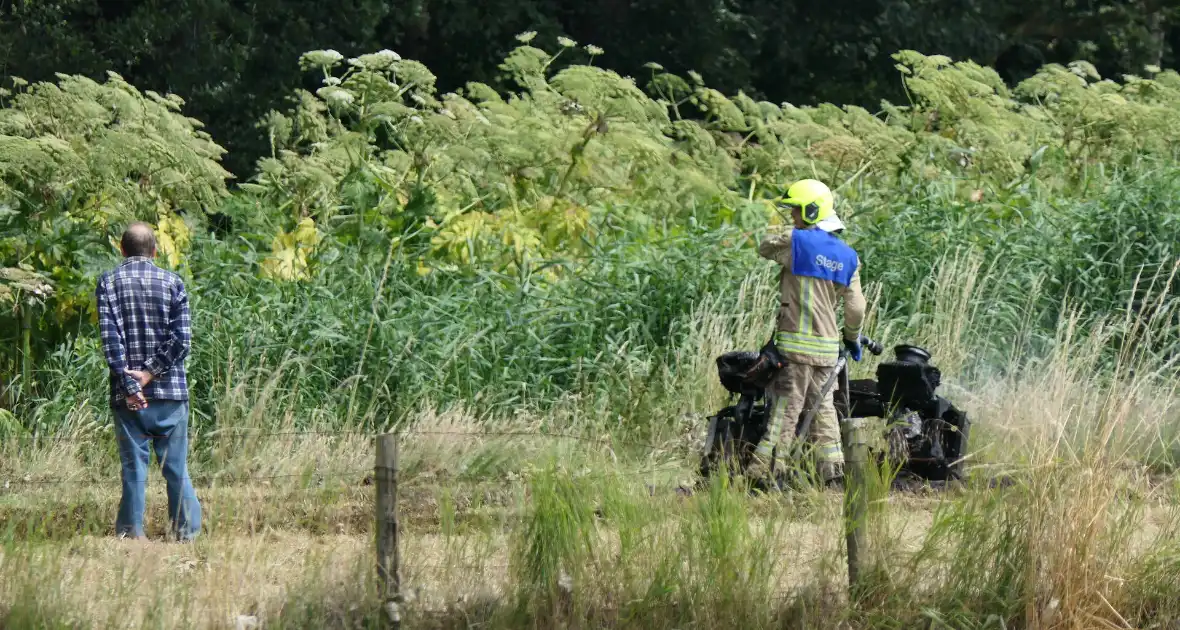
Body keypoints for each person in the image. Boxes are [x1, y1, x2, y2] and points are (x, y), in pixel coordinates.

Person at [750, 179, 867, 486]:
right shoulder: (848, 257)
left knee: (785, 411)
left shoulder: (796, 243)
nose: (792, 217)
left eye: (797, 211)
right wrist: (852, 338)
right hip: (828, 352)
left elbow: (764, 246)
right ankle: (834, 474)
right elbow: (856, 308)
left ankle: (766, 476)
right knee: (825, 412)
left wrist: (793, 233)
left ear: (812, 211)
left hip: (795, 350)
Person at [95, 222, 202, 541]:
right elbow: (182, 341)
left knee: (134, 472)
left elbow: (111, 341)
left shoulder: (108, 283)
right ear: (154, 251)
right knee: (176, 469)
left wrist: (132, 384)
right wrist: (150, 372)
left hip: (129, 401)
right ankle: (186, 535)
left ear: (122, 249)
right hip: (170, 395)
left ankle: (131, 536)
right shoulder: (173, 283)